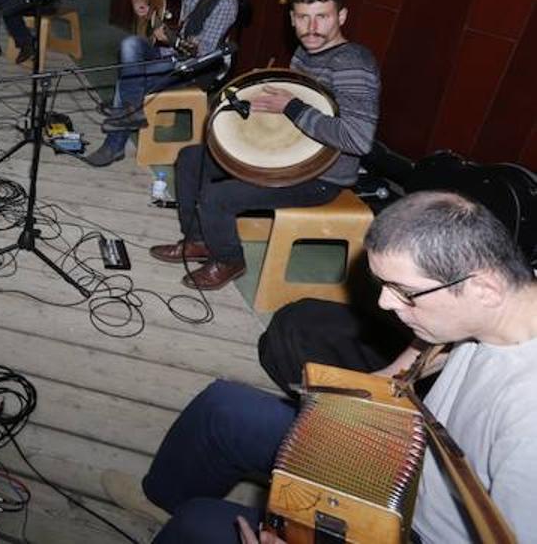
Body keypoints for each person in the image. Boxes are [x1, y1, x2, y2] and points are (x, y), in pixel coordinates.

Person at [103, 191, 537, 543]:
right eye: (383, 286)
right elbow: (435, 342)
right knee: (223, 408)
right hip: (404, 458)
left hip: (414, 528)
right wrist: (388, 379)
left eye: (404, 293)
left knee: (201, 525)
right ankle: (161, 500)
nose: (386, 303)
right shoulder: (499, 303)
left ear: (484, 289)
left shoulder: (527, 423)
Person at [151, 0, 379, 291]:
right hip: (285, 156)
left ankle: (229, 259)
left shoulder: (353, 65)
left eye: (322, 17)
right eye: (302, 17)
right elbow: (298, 103)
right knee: (192, 157)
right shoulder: (304, 52)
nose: (311, 27)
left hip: (322, 178)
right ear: (292, 19)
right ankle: (198, 240)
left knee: (219, 196)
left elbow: (359, 138)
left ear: (341, 17)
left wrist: (292, 108)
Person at [84, 0, 237, 169]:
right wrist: (138, 0)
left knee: (131, 74)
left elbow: (204, 51)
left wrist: (173, 40)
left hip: (195, 66)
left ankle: (114, 146)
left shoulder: (225, 2)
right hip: (167, 53)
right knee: (129, 45)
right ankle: (133, 110)